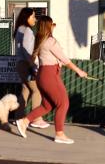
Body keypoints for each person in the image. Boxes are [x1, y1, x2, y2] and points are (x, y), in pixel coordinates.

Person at [15, 16, 88, 144]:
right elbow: (65, 59)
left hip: (43, 75)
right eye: (52, 24)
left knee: (47, 105)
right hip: (50, 75)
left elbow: (56, 59)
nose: (54, 25)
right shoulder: (50, 41)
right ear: (49, 26)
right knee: (63, 103)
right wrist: (79, 71)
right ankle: (59, 134)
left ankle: (24, 121)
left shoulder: (41, 41)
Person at [13, 8, 49, 128]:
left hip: (20, 63)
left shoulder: (19, 29)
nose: (35, 19)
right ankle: (36, 119)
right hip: (26, 64)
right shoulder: (27, 30)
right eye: (33, 16)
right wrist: (33, 66)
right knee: (37, 90)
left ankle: (18, 117)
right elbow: (27, 50)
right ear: (26, 17)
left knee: (26, 89)